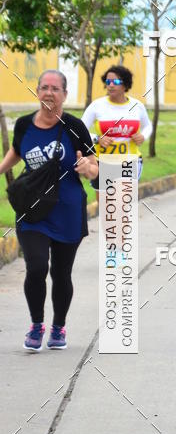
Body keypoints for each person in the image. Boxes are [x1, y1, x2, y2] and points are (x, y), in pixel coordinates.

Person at [0, 70, 98, 350]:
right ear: (37, 91)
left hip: (67, 211)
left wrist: (87, 169)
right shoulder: (23, 125)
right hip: (33, 211)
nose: (49, 93)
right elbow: (17, 152)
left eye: (56, 89)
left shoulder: (74, 126)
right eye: (44, 87)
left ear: (64, 95)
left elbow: (94, 165)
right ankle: (36, 324)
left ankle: (58, 327)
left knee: (61, 273)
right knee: (37, 266)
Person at [81, 65, 152, 200]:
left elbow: (148, 126)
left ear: (125, 85)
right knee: (105, 207)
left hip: (129, 162)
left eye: (116, 82)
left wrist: (143, 136)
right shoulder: (97, 106)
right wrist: (97, 138)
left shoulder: (137, 106)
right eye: (108, 82)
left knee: (123, 206)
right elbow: (79, 131)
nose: (111, 85)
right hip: (102, 162)